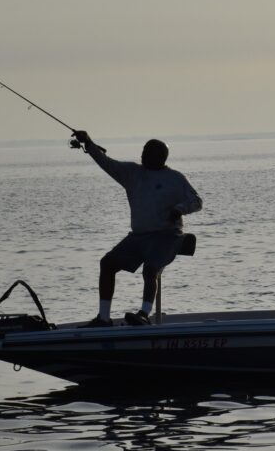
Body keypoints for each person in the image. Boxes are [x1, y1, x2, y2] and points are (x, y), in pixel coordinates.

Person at [73, 131, 202, 327]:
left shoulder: (175, 178)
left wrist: (180, 209)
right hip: (139, 237)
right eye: (143, 151)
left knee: (151, 269)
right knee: (107, 263)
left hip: (166, 236)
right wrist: (89, 143)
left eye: (147, 153)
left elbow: (196, 202)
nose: (142, 156)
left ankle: (144, 314)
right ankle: (104, 318)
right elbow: (106, 162)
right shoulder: (132, 173)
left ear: (160, 157)